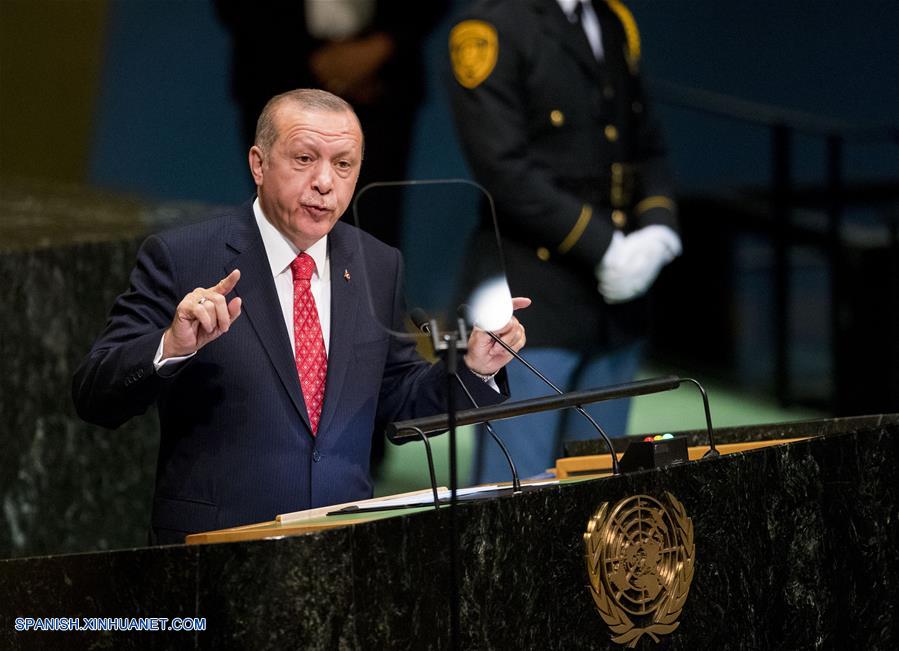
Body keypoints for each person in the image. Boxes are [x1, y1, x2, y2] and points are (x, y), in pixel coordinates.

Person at [72, 89, 528, 543]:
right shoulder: (184, 256)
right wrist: (170, 348)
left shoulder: (376, 263)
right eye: (305, 159)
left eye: (343, 164)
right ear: (259, 164)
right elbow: (94, 393)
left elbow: (398, 396)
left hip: (345, 548)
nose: (325, 182)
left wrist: (472, 369)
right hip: (217, 550)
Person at [447, 0, 681, 483]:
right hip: (530, 298)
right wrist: (607, 248)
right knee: (515, 493)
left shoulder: (612, 19)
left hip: (614, 308)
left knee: (603, 489)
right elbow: (504, 170)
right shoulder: (490, 27)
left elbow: (644, 142)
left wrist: (658, 229)